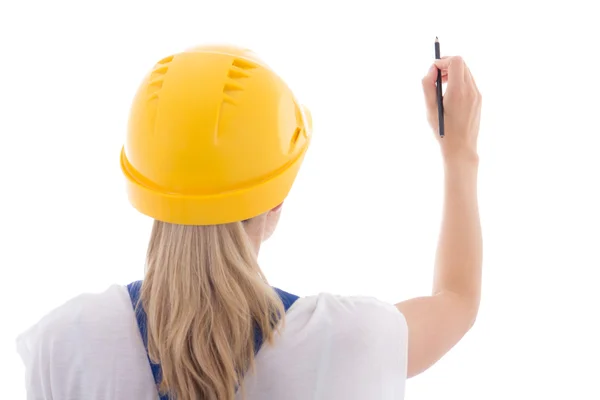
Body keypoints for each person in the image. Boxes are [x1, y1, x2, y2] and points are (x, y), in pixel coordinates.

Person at [16, 45, 482, 400]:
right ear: (275, 200)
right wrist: (458, 151)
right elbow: (457, 301)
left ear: (145, 186)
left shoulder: (63, 345)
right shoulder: (347, 341)